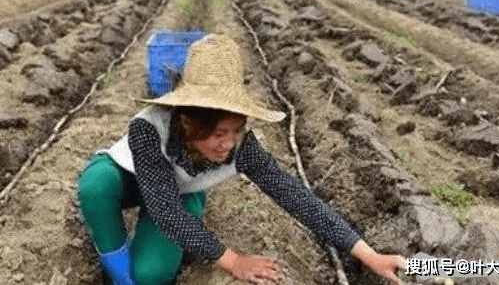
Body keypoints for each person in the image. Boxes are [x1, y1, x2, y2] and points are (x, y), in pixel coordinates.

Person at [76, 34, 406, 285]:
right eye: (218, 133)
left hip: (178, 194)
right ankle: (117, 271)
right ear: (187, 121)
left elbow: (296, 198)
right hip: (130, 181)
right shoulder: (148, 129)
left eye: (236, 130)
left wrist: (369, 255)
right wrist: (232, 260)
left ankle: (183, 218)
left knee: (152, 273)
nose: (228, 144)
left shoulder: (243, 148)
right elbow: (162, 209)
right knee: (96, 185)